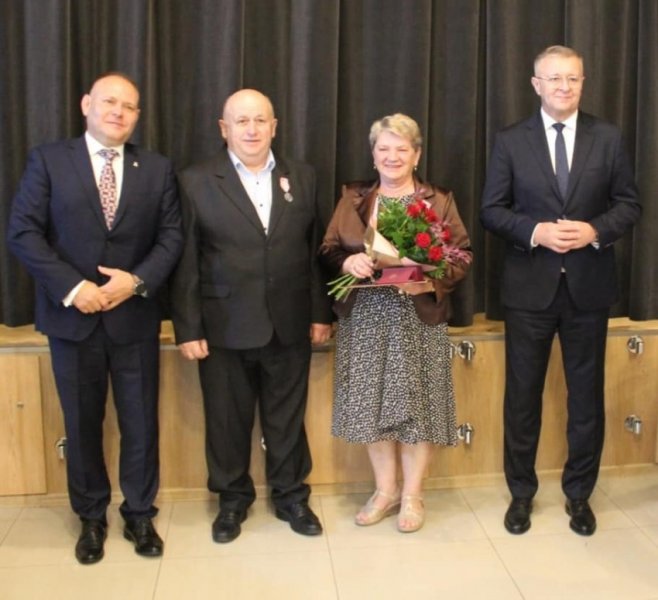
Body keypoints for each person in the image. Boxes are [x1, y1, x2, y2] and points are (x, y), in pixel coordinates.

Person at [8, 72, 183, 563]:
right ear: (87, 104)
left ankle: (140, 513)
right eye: (109, 102)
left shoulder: (157, 168)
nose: (118, 112)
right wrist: (73, 287)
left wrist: (136, 280)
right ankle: (90, 517)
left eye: (129, 106)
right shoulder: (48, 160)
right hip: (72, 320)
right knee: (82, 423)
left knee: (141, 422)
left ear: (138, 116)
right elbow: (23, 232)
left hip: (134, 318)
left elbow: (171, 236)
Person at [480, 45, 641, 536]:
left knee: (586, 399)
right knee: (522, 399)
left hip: (588, 290)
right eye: (554, 79)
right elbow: (491, 209)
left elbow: (629, 204)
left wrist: (595, 231)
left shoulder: (608, 137)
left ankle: (579, 495)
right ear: (537, 84)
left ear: (583, 82)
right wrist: (535, 231)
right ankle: (521, 494)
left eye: (572, 78)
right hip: (529, 289)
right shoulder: (511, 141)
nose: (564, 87)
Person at [169, 88, 333, 543]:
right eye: (241, 121)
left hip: (290, 321)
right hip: (222, 325)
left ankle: (291, 496)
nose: (252, 129)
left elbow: (316, 251)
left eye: (260, 120)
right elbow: (185, 260)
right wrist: (188, 327)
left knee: (287, 418)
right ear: (224, 129)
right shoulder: (195, 180)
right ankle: (231, 500)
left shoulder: (303, 176)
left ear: (275, 126)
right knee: (226, 420)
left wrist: (320, 312)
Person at [319, 113, 472, 533]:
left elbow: (461, 255)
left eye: (401, 149)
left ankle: (412, 495)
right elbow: (328, 248)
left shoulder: (438, 199)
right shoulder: (353, 198)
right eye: (383, 149)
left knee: (418, 408)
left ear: (416, 155)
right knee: (371, 406)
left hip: (417, 316)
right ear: (373, 156)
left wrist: (426, 277)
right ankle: (385, 491)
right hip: (366, 317)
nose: (392, 156)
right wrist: (347, 261)